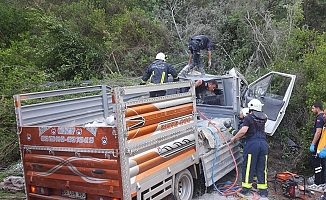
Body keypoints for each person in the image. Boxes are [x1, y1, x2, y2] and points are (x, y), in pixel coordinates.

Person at [230, 99, 269, 197]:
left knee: (248, 167)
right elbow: (265, 116)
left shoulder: (248, 118)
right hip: (264, 145)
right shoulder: (264, 117)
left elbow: (243, 130)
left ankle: (246, 189)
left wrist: (234, 137)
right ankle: (263, 191)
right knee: (262, 167)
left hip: (253, 144)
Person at [309, 102, 325, 185]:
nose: (312, 110)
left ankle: (317, 182)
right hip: (322, 145)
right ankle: (322, 181)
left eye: (313, 108)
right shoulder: (323, 117)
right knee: (322, 164)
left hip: (318, 145)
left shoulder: (320, 118)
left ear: (318, 108)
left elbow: (318, 132)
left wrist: (313, 144)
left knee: (317, 163)